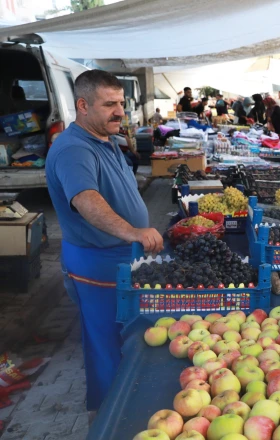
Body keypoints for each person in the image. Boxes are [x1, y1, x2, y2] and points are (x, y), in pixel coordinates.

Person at [46, 70, 163, 412]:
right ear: (83, 106)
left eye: (121, 103)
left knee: (125, 337)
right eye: (109, 104)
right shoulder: (72, 149)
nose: (120, 112)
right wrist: (134, 232)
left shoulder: (106, 141)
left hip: (122, 258)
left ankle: (129, 405)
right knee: (105, 345)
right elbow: (86, 199)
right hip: (97, 263)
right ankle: (110, 418)